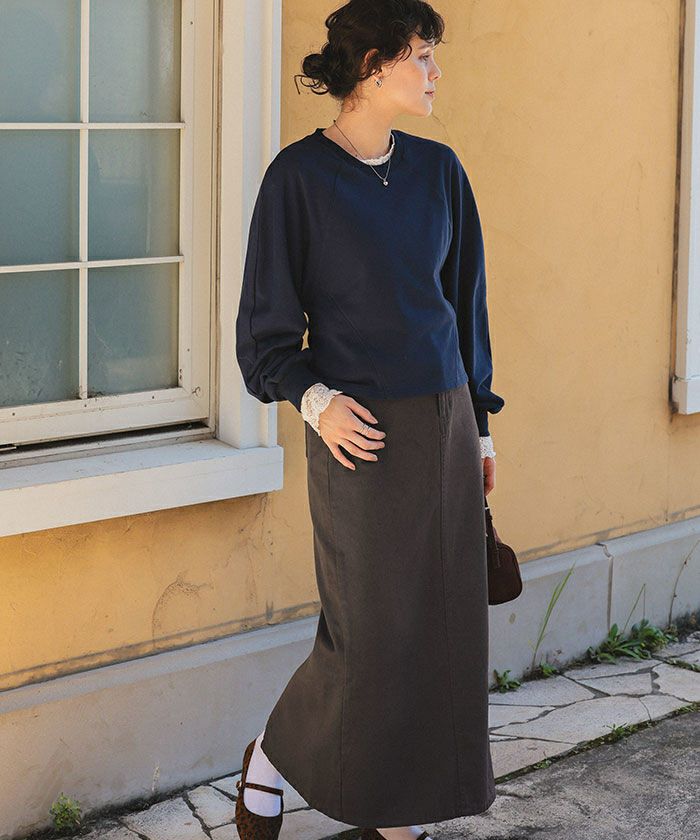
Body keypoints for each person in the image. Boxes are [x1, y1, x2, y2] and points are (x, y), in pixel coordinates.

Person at [233, 2, 505, 838]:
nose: (435, 72)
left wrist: (482, 426)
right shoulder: (297, 179)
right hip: (357, 435)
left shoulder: (440, 171)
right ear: (375, 65)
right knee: (370, 634)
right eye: (423, 56)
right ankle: (271, 756)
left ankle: (397, 816)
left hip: (445, 424)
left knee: (441, 632)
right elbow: (265, 335)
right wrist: (316, 404)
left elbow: (464, 308)